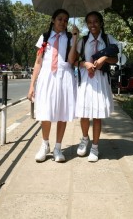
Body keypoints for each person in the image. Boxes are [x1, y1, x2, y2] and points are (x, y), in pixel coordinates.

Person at [27, 9, 79, 163]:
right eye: (60, 19)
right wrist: (32, 86)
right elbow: (38, 62)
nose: (63, 23)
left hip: (64, 77)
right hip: (47, 77)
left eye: (66, 20)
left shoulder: (69, 37)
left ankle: (58, 147)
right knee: (45, 112)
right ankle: (44, 145)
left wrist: (75, 40)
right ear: (53, 20)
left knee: (62, 113)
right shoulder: (44, 37)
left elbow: (71, 60)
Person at [74, 11, 119, 162]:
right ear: (87, 24)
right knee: (84, 113)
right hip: (86, 79)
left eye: (96, 21)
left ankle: (95, 147)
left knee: (97, 115)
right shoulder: (83, 40)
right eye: (89, 22)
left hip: (100, 79)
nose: (93, 25)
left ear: (101, 23)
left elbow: (116, 59)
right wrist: (84, 63)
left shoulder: (108, 39)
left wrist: (104, 58)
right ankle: (85, 139)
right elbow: (73, 61)